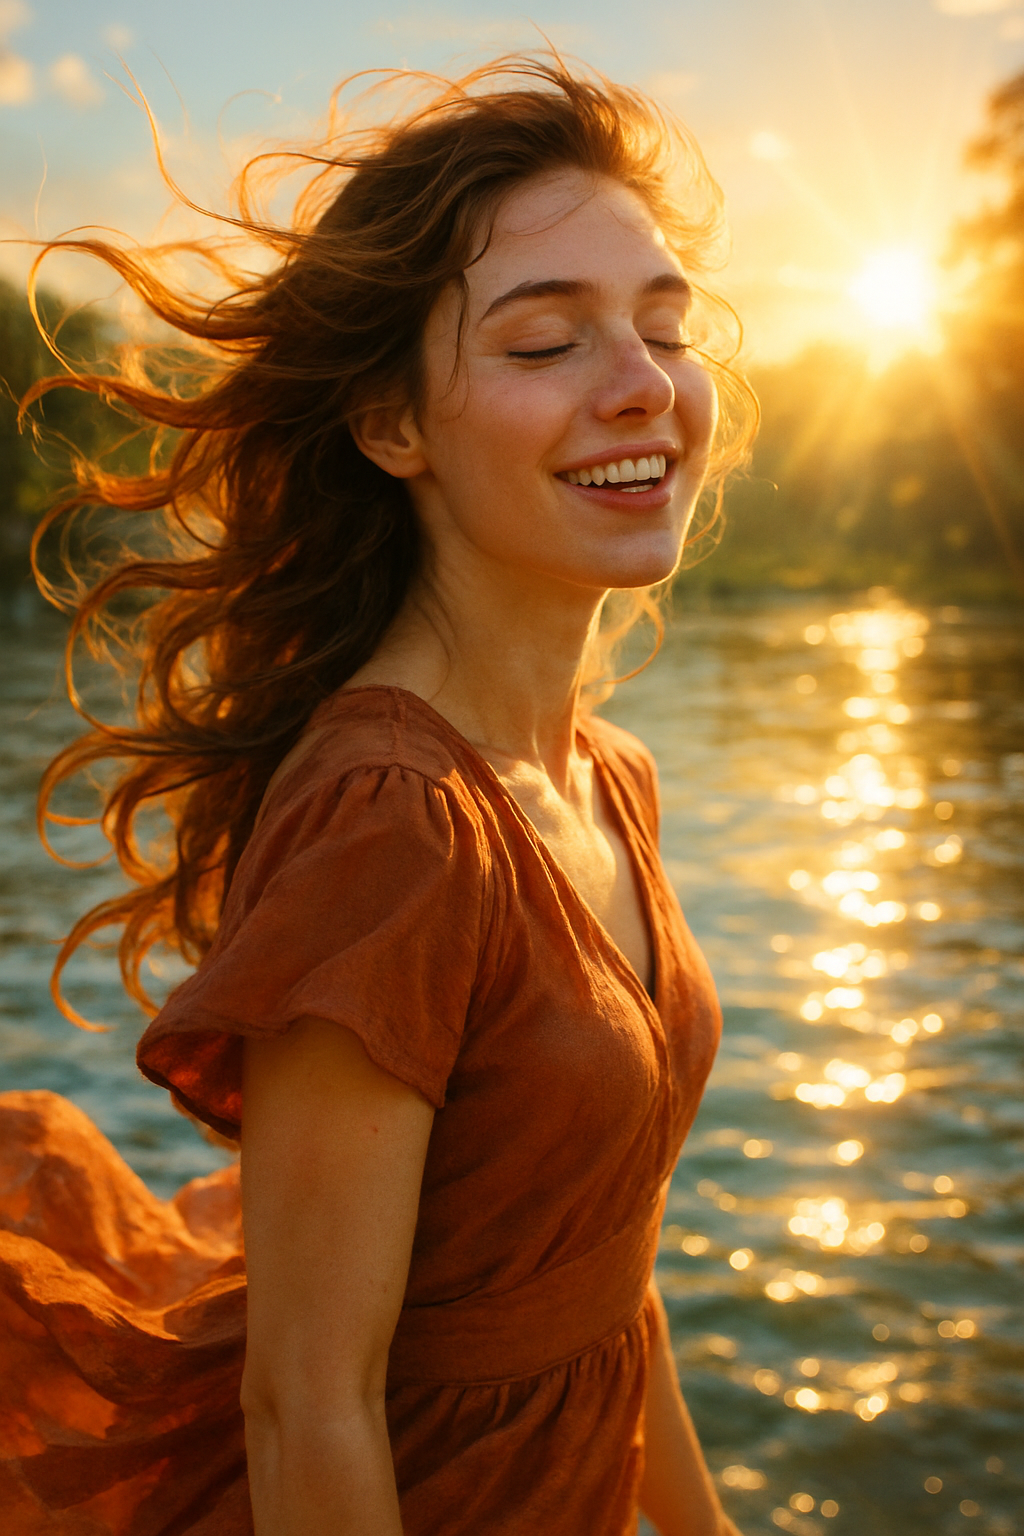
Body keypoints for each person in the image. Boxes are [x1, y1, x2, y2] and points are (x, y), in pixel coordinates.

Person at [1, 55, 755, 1535]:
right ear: (393, 428)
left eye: (665, 326)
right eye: (546, 345)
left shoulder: (607, 774)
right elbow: (309, 1407)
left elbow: (606, 1267)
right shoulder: (394, 824)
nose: (642, 385)